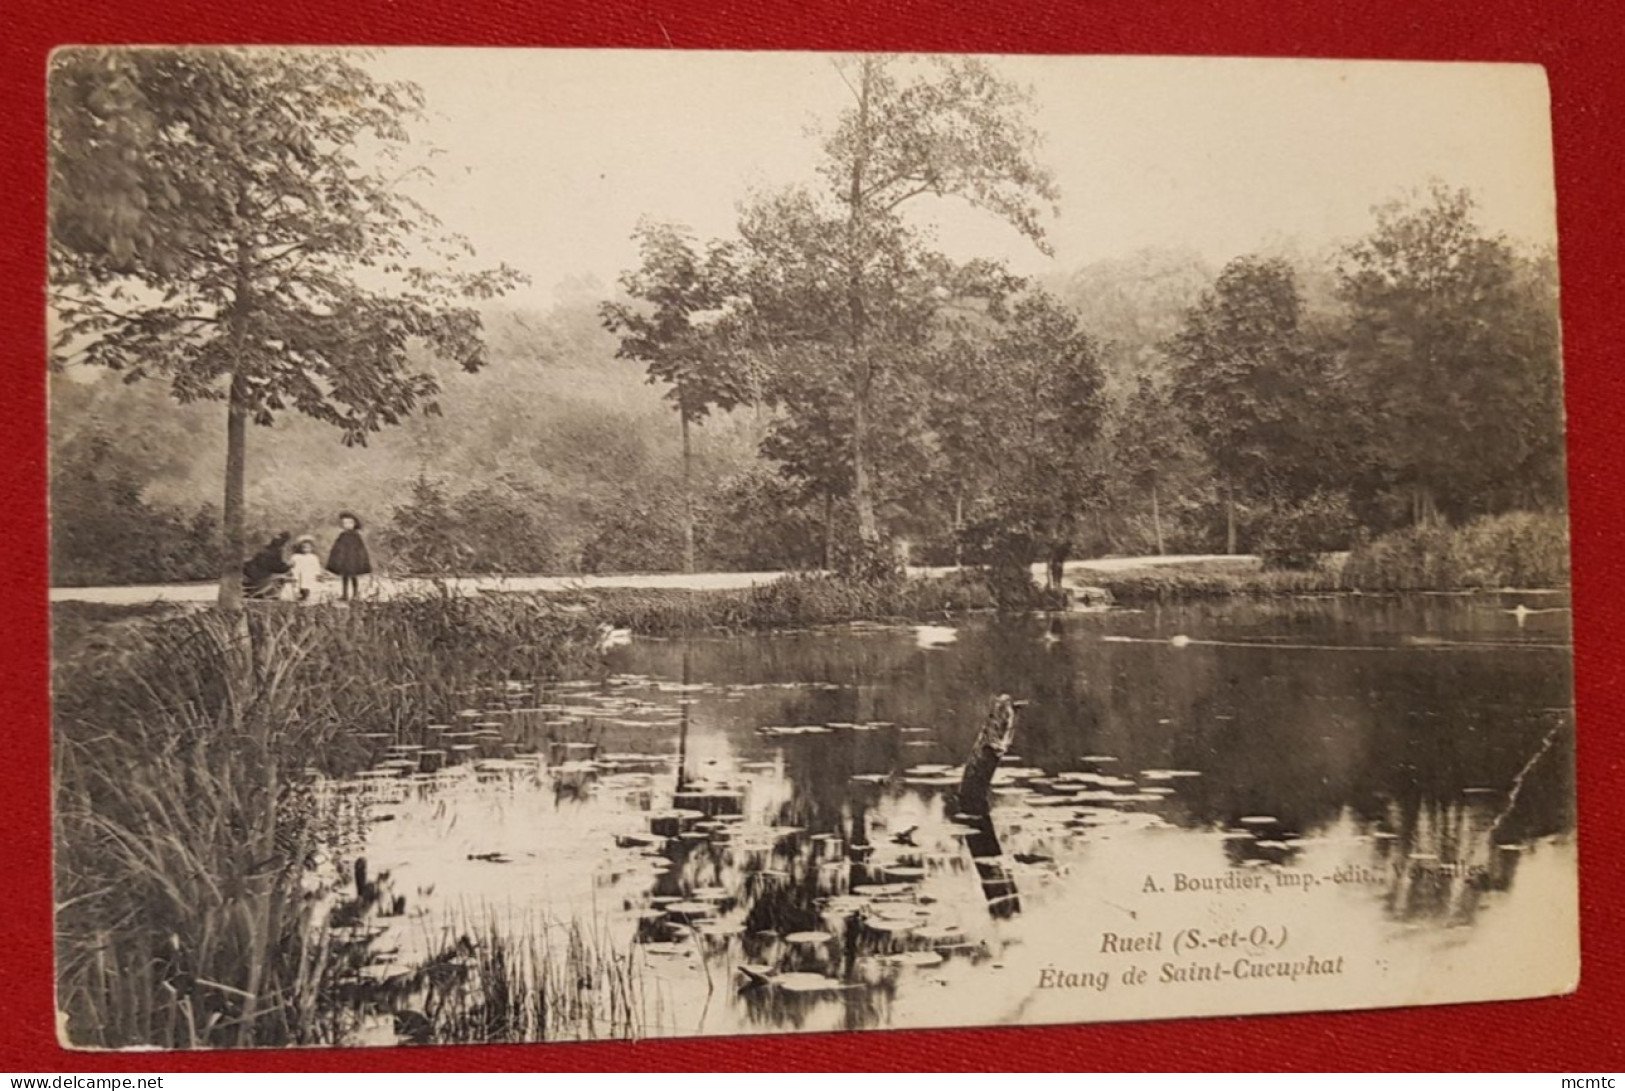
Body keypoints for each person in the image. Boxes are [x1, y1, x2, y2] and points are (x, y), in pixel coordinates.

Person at [325, 511, 372, 601]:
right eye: (344, 523)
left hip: (353, 560)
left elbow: (360, 549)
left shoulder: (356, 536)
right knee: (344, 577)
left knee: (354, 577)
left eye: (349, 523)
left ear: (354, 524)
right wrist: (337, 557)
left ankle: (355, 594)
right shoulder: (342, 535)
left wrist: (361, 559)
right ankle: (345, 594)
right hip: (344, 559)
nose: (346, 525)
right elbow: (337, 546)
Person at [242, 532, 293, 600]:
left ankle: (261, 593)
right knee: (279, 578)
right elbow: (276, 567)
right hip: (259, 576)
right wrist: (288, 566)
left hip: (254, 573)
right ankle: (264, 594)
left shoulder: (267, 550)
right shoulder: (274, 551)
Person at [289, 535, 324, 602]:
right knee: (299, 587)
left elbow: (316, 566)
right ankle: (300, 597)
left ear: (311, 548)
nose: (306, 549)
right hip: (299, 574)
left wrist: (318, 574)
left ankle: (306, 597)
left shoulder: (313, 557)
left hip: (309, 574)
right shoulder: (296, 556)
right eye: (304, 547)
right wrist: (292, 572)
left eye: (308, 547)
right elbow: (293, 565)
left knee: (308, 587)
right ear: (300, 548)